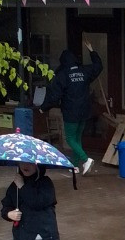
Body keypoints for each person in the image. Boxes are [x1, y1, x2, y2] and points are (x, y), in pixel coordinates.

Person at [40, 41, 102, 175]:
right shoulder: (85, 71)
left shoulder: (62, 76)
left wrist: (43, 108)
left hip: (71, 112)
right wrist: (92, 51)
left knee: (69, 138)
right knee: (77, 138)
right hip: (85, 111)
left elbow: (54, 95)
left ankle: (86, 160)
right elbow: (98, 66)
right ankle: (74, 166)